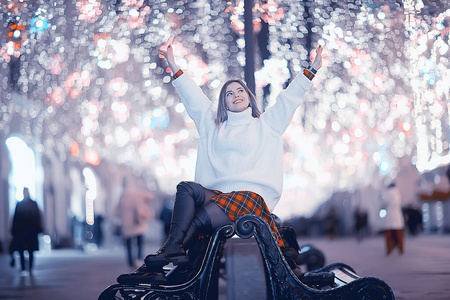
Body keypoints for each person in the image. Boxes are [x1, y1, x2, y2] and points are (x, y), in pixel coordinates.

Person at [139, 42, 323, 272]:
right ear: (223, 103)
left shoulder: (267, 125)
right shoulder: (213, 127)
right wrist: (175, 68)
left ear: (248, 97)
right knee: (186, 188)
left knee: (199, 220)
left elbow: (289, 99)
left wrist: (311, 70)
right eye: (229, 93)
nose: (235, 95)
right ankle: (173, 249)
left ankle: (170, 252)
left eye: (240, 91)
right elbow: (193, 98)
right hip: (218, 198)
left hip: (252, 201)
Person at [116, 177, 155, 268]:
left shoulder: (124, 196)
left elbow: (117, 211)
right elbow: (151, 197)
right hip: (138, 222)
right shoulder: (138, 194)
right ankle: (139, 259)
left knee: (129, 243)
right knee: (140, 241)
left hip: (128, 223)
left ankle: (131, 261)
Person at [10, 187, 43, 274]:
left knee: (30, 250)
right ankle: (23, 267)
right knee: (21, 250)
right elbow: (15, 219)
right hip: (22, 231)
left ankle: (30, 267)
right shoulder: (20, 204)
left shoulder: (32, 204)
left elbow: (37, 217)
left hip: (30, 231)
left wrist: (38, 228)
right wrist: (14, 230)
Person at [381, 182, 405, 255]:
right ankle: (401, 249)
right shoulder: (398, 193)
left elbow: (383, 203)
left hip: (389, 215)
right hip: (397, 215)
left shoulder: (387, 193)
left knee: (389, 234)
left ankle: (389, 249)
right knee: (399, 234)